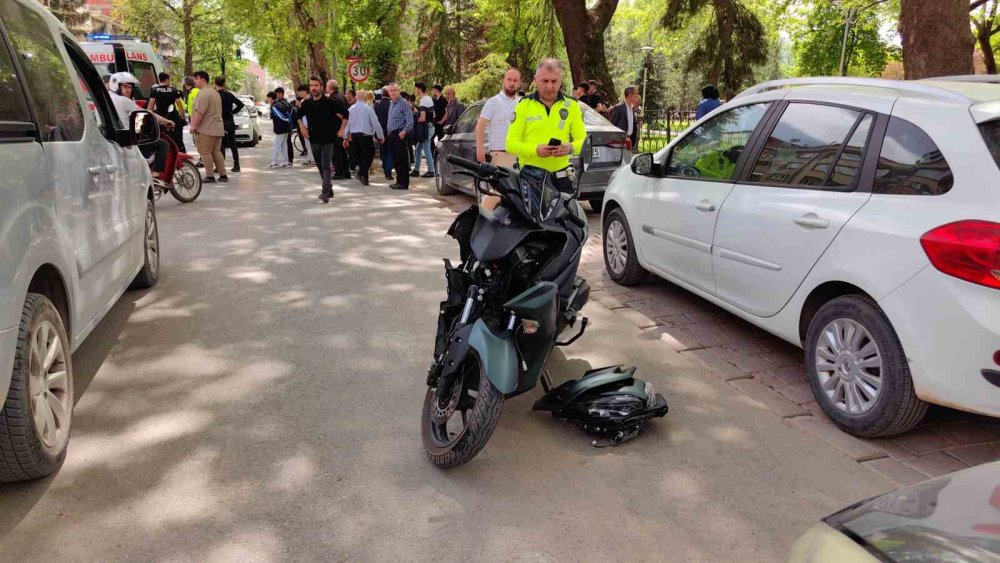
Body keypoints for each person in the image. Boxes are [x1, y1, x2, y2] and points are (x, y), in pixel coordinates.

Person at [506, 58, 586, 193]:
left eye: (554, 81)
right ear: (535, 79)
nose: (549, 87)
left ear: (561, 80)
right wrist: (535, 150)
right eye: (545, 81)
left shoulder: (572, 106)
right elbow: (510, 144)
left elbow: (583, 141)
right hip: (531, 179)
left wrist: (571, 147)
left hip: (562, 179)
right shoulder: (524, 105)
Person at [108, 72, 174, 185]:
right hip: (129, 140)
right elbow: (147, 113)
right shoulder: (123, 101)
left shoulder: (108, 98)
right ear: (116, 85)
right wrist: (167, 121)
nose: (128, 90)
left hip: (114, 139)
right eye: (124, 86)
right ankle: (156, 175)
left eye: (130, 87)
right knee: (164, 145)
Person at [298, 76, 341, 203]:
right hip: (314, 139)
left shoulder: (330, 102)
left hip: (328, 139)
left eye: (316, 85)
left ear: (321, 87)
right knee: (320, 166)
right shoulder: (306, 103)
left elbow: (345, 114)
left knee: (326, 166)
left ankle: (325, 192)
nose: (313, 88)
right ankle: (329, 189)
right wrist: (302, 127)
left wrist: (341, 129)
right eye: (311, 86)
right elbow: (297, 115)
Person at [475, 68, 521, 167]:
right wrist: (480, 148)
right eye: (509, 79)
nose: (512, 83)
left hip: (519, 156)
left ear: (519, 83)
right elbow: (480, 127)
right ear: (503, 81)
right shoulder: (493, 102)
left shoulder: (521, 103)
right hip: (500, 155)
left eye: (515, 80)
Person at [189, 70, 228, 183]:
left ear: (202, 79)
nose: (194, 81)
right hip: (217, 127)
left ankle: (210, 175)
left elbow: (199, 112)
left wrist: (193, 126)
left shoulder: (203, 93)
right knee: (217, 151)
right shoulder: (215, 92)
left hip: (206, 128)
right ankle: (223, 174)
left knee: (205, 152)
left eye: (196, 79)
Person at [344, 88, 385, 186]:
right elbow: (375, 123)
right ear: (365, 97)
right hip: (366, 136)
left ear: (356, 97)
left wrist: (345, 137)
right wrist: (380, 135)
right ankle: (362, 172)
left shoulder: (351, 109)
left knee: (360, 156)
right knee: (369, 156)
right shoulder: (368, 108)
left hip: (354, 136)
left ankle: (364, 177)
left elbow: (348, 124)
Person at [385, 83, 414, 190]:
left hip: (399, 134)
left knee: (402, 160)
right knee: (396, 160)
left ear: (399, 91)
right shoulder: (391, 103)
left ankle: (403, 183)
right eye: (390, 90)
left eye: (394, 90)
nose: (392, 92)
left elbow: (410, 120)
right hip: (392, 135)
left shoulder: (404, 103)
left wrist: (403, 132)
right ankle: (399, 181)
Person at [147, 72, 187, 152]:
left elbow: (150, 108)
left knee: (163, 138)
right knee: (177, 139)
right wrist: (182, 119)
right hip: (173, 117)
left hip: (161, 118)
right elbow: (180, 106)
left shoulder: (154, 91)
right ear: (167, 79)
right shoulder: (173, 90)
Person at [214, 76, 245, 173]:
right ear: (224, 83)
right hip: (230, 122)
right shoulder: (229, 94)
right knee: (233, 145)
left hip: (221, 122)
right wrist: (232, 112)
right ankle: (237, 165)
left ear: (215, 83)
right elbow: (241, 104)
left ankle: (220, 166)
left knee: (220, 145)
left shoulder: (215, 95)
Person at [324, 79, 351, 180]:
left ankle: (339, 172)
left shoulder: (333, 98)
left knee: (336, 152)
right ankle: (346, 172)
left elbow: (343, 113)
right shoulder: (342, 96)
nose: (326, 87)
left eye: (327, 86)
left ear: (330, 88)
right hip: (342, 128)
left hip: (336, 128)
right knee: (343, 151)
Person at [411, 82, 435, 177]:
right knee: (418, 148)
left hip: (426, 129)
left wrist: (415, 117)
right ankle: (416, 170)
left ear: (419, 89)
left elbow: (422, 118)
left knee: (427, 148)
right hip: (430, 127)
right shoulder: (428, 98)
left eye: (415, 89)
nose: (415, 91)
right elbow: (433, 115)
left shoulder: (423, 101)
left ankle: (431, 170)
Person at [266, 89, 293, 168]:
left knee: (276, 145)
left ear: (271, 98)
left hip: (281, 128)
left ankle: (274, 161)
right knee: (283, 145)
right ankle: (286, 161)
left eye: (268, 98)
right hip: (286, 128)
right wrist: (288, 123)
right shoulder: (281, 103)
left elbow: (280, 116)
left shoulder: (274, 106)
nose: (267, 99)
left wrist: (286, 120)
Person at [373, 87, 393, 180]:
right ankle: (388, 172)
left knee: (383, 151)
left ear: (382, 94)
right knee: (389, 151)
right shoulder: (392, 104)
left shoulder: (377, 105)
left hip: (380, 131)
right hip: (390, 131)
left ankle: (385, 168)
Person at [294, 84, 314, 165]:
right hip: (304, 125)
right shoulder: (302, 101)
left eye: (301, 91)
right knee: (307, 143)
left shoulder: (311, 100)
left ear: (305, 91)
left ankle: (313, 160)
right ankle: (309, 158)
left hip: (310, 125)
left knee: (311, 143)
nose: (300, 94)